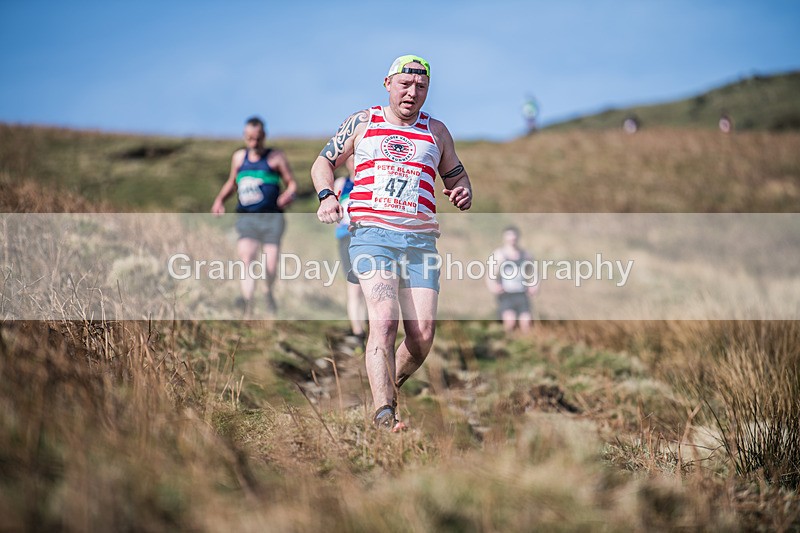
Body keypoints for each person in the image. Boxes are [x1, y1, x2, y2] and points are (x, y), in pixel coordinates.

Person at [311, 55, 473, 431]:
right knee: (384, 320)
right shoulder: (363, 121)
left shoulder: (437, 131)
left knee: (422, 336)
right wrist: (326, 196)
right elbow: (323, 163)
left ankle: (387, 390)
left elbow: (457, 177)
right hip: (373, 237)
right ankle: (384, 414)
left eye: (421, 87)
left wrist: (463, 191)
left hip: (420, 243)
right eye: (405, 85)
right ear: (387, 83)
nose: (412, 93)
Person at [211, 116, 297, 315]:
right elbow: (232, 182)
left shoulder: (275, 157)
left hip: (272, 218)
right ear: (244, 137)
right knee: (247, 257)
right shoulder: (239, 158)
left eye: (257, 138)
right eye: (249, 138)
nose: (254, 143)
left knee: (270, 264)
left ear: (264, 136)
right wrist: (219, 200)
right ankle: (248, 304)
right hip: (247, 217)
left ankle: (268, 292)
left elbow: (291, 183)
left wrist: (288, 194)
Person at [333, 156, 367, 343]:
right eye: (353, 159)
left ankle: (372, 326)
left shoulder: (373, 181)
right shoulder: (341, 183)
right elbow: (333, 208)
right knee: (354, 285)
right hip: (346, 238)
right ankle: (357, 332)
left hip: (369, 238)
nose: (355, 163)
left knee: (371, 284)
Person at [486, 226, 538, 334]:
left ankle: (525, 345)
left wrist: (534, 285)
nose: (512, 240)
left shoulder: (525, 254)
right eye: (509, 238)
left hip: (521, 293)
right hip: (507, 294)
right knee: (510, 322)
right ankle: (507, 344)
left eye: (514, 238)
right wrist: (493, 287)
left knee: (526, 322)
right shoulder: (499, 254)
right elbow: (490, 274)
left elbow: (534, 272)